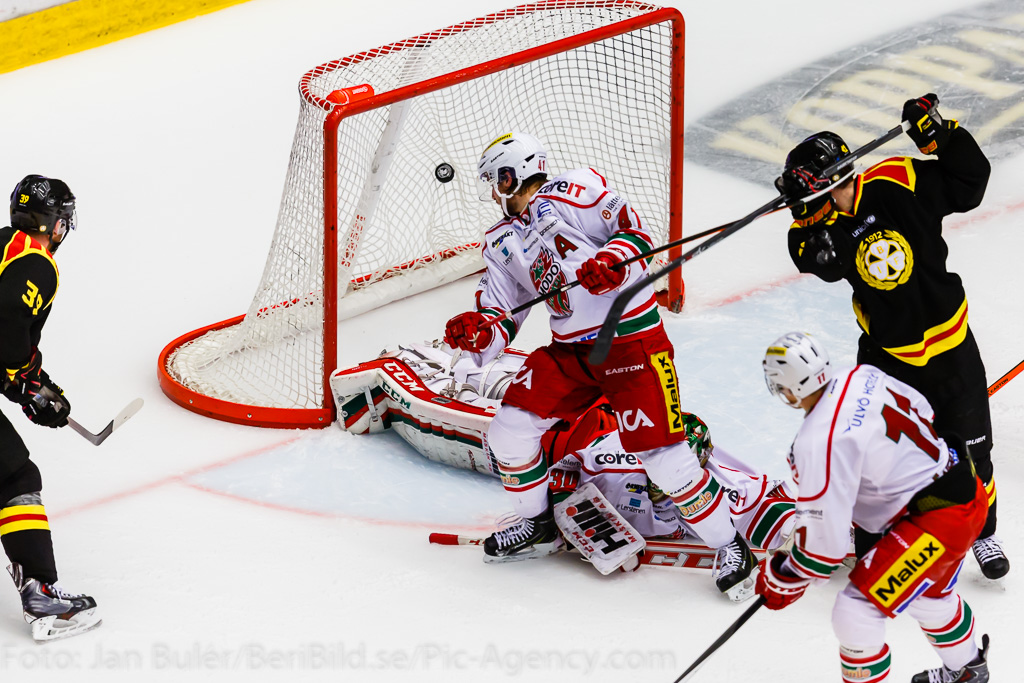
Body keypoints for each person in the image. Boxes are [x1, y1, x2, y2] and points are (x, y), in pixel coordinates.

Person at [442, 132, 757, 598]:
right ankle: (537, 524)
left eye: (495, 180)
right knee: (509, 429)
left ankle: (730, 546)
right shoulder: (502, 240)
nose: (493, 191)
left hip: (631, 343)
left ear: (511, 176)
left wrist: (613, 260)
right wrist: (479, 330)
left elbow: (634, 232)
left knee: (664, 460)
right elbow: (501, 313)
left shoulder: (575, 190)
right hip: (571, 354)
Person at [776, 93, 1007, 579]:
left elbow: (970, 185)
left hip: (951, 347)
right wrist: (807, 214)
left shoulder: (899, 180)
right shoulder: (816, 227)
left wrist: (942, 136)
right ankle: (876, 538)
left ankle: (982, 533)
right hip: (886, 358)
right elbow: (823, 262)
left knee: (973, 448)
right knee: (877, 451)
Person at [757, 332, 990, 683]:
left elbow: (824, 548)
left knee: (855, 611)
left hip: (938, 521)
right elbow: (923, 410)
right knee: (926, 595)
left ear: (787, 389)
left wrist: (785, 576)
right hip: (963, 486)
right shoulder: (861, 375)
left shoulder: (816, 442)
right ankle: (968, 670)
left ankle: (965, 670)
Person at [0, 175, 99, 641]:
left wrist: (28, 382)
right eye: (64, 219)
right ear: (54, 223)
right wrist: (28, 382)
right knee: (15, 478)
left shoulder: (3, 244)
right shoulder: (37, 265)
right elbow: (7, 335)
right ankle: (40, 594)